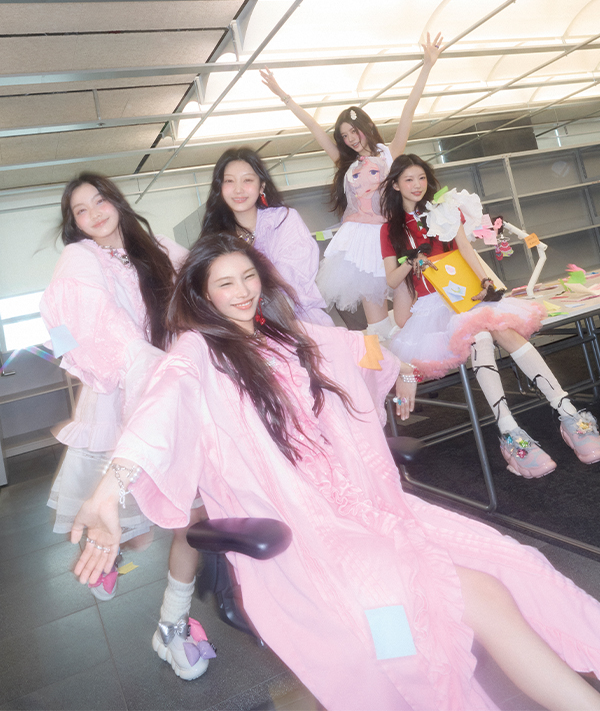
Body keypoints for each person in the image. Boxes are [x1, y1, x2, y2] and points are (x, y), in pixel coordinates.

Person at [70, 235, 600, 711]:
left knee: (512, 567)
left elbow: (356, 349)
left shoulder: (282, 336)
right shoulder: (198, 352)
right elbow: (160, 411)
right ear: (203, 294)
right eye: (225, 283)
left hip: (371, 506)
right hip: (305, 534)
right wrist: (107, 491)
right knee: (469, 599)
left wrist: (400, 367)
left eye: (249, 276)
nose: (243, 291)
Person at [40, 173, 213, 680]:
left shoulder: (154, 246)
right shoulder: (80, 258)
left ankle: (173, 625)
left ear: (116, 202)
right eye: (81, 210)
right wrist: (141, 365)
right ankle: (112, 556)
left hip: (170, 386)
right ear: (74, 223)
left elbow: (201, 278)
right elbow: (81, 320)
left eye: (100, 201)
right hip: (122, 390)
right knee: (136, 527)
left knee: (190, 515)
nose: (94, 213)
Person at [379, 153, 600, 477]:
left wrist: (485, 282)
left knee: (503, 330)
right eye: (409, 179)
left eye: (421, 178)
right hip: (431, 307)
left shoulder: (444, 211)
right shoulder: (390, 230)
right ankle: (510, 431)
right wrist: (411, 261)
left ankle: (568, 413)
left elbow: (466, 251)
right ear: (396, 185)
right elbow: (391, 280)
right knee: (480, 335)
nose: (417, 185)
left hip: (465, 293)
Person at [260, 33, 443, 339]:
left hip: (390, 236)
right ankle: (393, 366)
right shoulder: (346, 164)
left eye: (353, 132)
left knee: (407, 314)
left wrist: (427, 65)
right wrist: (283, 95)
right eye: (344, 136)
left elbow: (408, 111)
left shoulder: (388, 154)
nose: (350, 139)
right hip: (358, 242)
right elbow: (313, 127)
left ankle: (419, 357)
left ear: (366, 127)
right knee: (377, 324)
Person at [200, 146, 333, 326]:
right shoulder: (215, 238)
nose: (238, 189)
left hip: (301, 323)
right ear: (220, 187)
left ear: (261, 186)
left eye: (247, 180)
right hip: (243, 329)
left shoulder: (283, 220)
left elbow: (293, 277)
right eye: (229, 181)